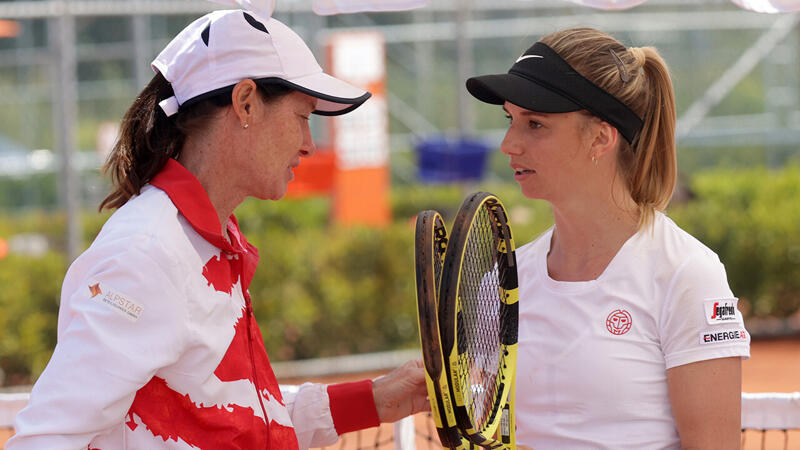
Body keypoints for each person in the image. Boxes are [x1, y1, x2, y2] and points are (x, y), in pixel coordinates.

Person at [7, 9, 427, 449]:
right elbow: (46, 439)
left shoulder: (202, 240)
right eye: (303, 117)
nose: (309, 144)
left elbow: (234, 418)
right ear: (245, 102)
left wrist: (374, 400)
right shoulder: (148, 251)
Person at [466, 28, 750, 449]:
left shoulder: (688, 274)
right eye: (511, 119)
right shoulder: (504, 281)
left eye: (536, 124)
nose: (509, 143)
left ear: (601, 137)